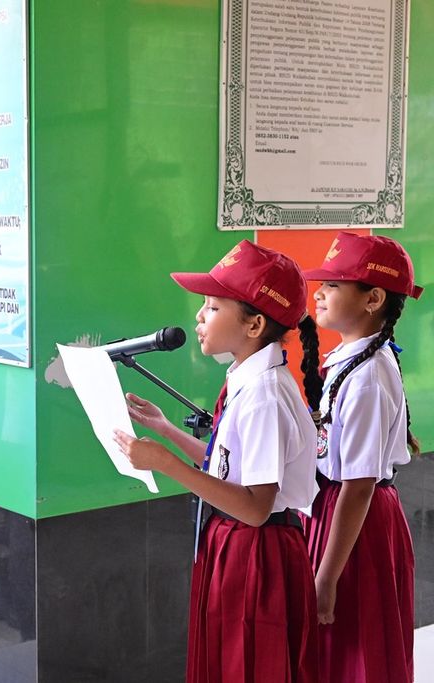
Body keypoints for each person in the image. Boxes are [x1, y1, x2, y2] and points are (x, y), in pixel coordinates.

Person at [112, 240, 323, 683]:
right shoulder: (250, 379)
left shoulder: (265, 395)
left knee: (248, 666)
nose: (198, 317)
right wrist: (166, 430)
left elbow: (254, 506)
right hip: (241, 546)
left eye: (211, 307)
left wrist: (165, 462)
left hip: (257, 554)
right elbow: (228, 466)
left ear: (254, 324)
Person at [301, 232, 421, 682]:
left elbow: (359, 484)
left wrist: (327, 578)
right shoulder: (354, 357)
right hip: (337, 511)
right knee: (334, 647)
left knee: (354, 645)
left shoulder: (368, 375)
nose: (320, 293)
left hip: (356, 521)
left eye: (333, 285)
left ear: (373, 298)